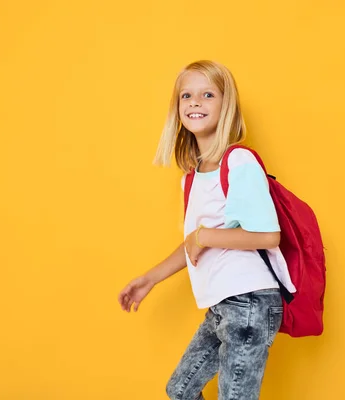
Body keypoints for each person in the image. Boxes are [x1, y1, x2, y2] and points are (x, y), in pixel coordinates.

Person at [117, 60, 296, 400]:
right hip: (222, 305)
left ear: (226, 105)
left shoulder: (238, 162)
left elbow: (268, 236)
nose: (195, 102)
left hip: (250, 302)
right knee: (180, 390)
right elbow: (193, 243)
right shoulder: (192, 176)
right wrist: (150, 279)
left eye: (207, 94)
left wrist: (204, 236)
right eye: (187, 96)